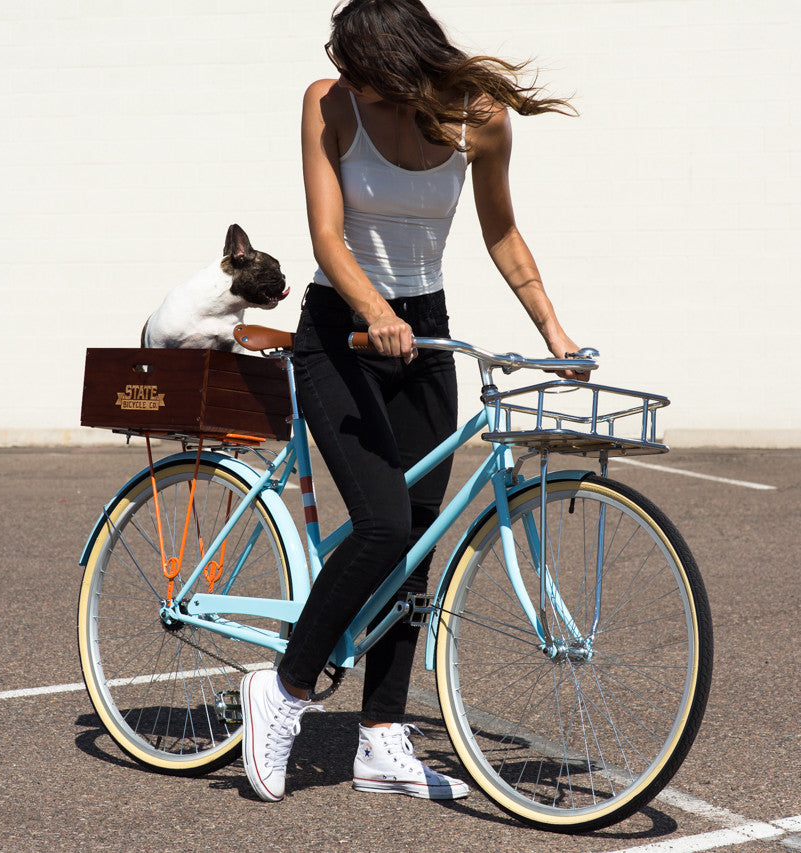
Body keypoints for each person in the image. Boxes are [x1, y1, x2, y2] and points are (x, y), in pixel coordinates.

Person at [240, 0, 582, 804]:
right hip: (340, 330)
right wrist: (374, 311)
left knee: (418, 542)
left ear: (399, 62)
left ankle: (381, 736)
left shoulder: (480, 120)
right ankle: (282, 690)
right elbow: (328, 236)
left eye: (363, 67)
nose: (349, 77)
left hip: (423, 334)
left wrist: (555, 330)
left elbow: (502, 232)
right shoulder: (327, 103)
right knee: (385, 521)